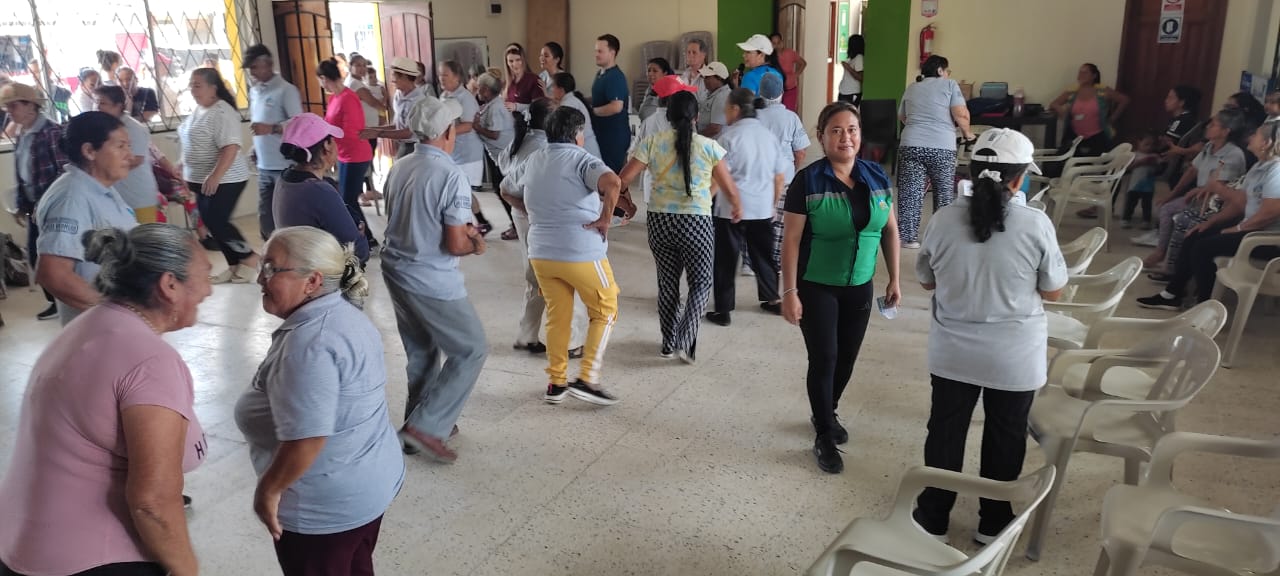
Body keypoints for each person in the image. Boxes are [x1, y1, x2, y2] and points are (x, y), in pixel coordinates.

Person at [0, 224, 211, 576]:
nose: (209, 289)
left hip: (22, 546)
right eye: (205, 276)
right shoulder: (150, 361)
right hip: (88, 560)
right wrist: (187, 569)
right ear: (169, 285)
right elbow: (153, 503)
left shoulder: (89, 326)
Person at [913, 128, 1068, 542]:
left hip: (953, 353)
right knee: (1006, 434)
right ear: (1018, 180)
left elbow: (927, 281)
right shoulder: (1036, 224)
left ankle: (933, 517)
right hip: (1014, 357)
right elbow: (1053, 290)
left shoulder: (943, 219)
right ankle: (993, 520)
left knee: (945, 431)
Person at [236, 226, 403, 574]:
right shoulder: (343, 313)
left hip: (324, 511)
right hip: (367, 485)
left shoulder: (309, 345)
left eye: (271, 269)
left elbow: (307, 440)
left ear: (311, 281)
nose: (260, 278)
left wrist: (269, 490)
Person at [780, 101, 901, 474]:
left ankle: (827, 411)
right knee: (825, 358)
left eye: (852, 129)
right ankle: (824, 434)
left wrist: (894, 277)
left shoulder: (875, 176)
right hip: (817, 285)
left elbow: (890, 230)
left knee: (846, 358)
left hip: (860, 285)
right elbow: (791, 241)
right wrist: (789, 292)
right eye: (836, 130)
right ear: (821, 137)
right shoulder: (808, 180)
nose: (845, 137)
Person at [381, 95, 489, 463]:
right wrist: (475, 243)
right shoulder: (450, 174)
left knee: (422, 350)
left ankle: (420, 421)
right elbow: (454, 243)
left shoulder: (400, 166)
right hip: (429, 277)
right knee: (471, 348)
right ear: (446, 133)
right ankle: (425, 428)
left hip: (396, 269)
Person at [504, 106, 625, 405]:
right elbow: (613, 183)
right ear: (577, 134)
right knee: (606, 309)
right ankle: (588, 378)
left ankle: (556, 383)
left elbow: (506, 189)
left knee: (558, 317)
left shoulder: (535, 159)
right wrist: (605, 219)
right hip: (581, 251)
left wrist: (534, 212)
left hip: (542, 253)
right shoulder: (582, 159)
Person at [618, 90, 742, 362]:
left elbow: (621, 180)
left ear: (669, 117)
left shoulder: (652, 142)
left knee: (667, 283)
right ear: (696, 117)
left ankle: (668, 342)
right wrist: (735, 206)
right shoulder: (709, 147)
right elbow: (728, 186)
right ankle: (685, 340)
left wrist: (626, 203)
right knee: (701, 282)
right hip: (696, 222)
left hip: (659, 221)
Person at [1137, 121, 1280, 310]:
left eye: (1256, 135)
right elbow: (1240, 204)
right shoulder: (1259, 166)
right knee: (1194, 235)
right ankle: (1172, 294)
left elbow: (1269, 213)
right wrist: (1211, 223)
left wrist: (1237, 227)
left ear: (1267, 143)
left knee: (1203, 248)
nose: (1251, 137)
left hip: (1266, 239)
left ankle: (1207, 306)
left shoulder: (1276, 171)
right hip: (1250, 230)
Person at [500, 99, 591, 359]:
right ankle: (571, 341)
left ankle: (527, 336)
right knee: (568, 276)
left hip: (524, 216)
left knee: (535, 276)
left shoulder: (522, 141)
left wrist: (527, 208)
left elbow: (505, 183)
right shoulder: (546, 151)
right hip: (543, 219)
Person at [34, 112, 140, 325]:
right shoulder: (72, 197)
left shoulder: (101, 188)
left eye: (128, 146)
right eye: (121, 146)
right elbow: (53, 274)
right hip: (102, 329)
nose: (130, 156)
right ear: (89, 151)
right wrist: (118, 314)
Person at [707, 88, 787, 326]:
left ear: (735, 109)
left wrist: (705, 201)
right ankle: (772, 299)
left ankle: (723, 310)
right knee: (764, 255)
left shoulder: (728, 138)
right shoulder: (768, 136)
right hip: (762, 208)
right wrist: (772, 205)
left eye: (726, 108)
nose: (724, 113)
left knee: (725, 259)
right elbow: (779, 177)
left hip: (730, 210)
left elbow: (719, 177)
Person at [1141, 109, 1249, 267]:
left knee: (1184, 219)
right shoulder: (1209, 146)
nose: (1208, 126)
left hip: (1216, 203)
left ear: (1226, 131)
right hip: (1199, 197)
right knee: (1166, 208)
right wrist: (1172, 195)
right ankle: (1161, 252)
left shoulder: (1233, 154)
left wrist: (1197, 191)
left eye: (1213, 124)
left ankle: (1176, 264)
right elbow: (1192, 170)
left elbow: (1220, 186)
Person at [179, 67, 259, 283]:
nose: (193, 90)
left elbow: (231, 147)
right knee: (210, 223)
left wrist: (215, 175)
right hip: (200, 180)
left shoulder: (222, 112)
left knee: (217, 221)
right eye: (191, 85)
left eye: (197, 85)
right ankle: (233, 265)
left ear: (213, 88)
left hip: (226, 179)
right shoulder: (199, 110)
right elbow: (190, 140)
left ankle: (249, 258)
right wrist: (181, 164)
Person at [2, 82, 66, 320]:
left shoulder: (51, 132)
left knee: (53, 257)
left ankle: (64, 300)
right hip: (33, 206)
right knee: (35, 256)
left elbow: (64, 172)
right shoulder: (23, 133)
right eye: (7, 107)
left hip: (52, 206)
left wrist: (48, 203)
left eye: (13, 106)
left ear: (31, 106)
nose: (9, 111)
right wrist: (21, 205)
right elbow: (22, 172)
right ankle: (55, 301)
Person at [896, 55, 974, 249]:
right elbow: (960, 113)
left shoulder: (912, 88)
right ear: (940, 70)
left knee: (910, 192)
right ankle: (940, 238)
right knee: (943, 193)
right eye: (947, 71)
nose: (947, 74)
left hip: (911, 145)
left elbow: (902, 116)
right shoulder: (950, 85)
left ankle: (907, 237)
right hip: (942, 147)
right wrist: (968, 134)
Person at [273, 113, 371, 265]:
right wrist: (361, 237)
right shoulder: (318, 191)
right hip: (320, 273)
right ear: (326, 147)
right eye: (333, 140)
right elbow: (358, 251)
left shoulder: (284, 179)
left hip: (297, 266)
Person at [244, 44, 304, 241]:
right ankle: (271, 250)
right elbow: (260, 123)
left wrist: (271, 129)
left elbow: (298, 124)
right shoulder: (255, 91)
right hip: (264, 166)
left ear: (268, 64)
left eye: (255, 67)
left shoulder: (286, 90)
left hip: (283, 165)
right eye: (250, 68)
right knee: (266, 217)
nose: (252, 72)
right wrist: (256, 147)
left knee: (286, 215)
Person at [317, 58, 376, 249]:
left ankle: (366, 238)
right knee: (346, 199)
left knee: (348, 199)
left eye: (320, 80)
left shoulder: (348, 98)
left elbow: (352, 131)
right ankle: (363, 236)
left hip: (356, 154)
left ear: (324, 78)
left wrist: (330, 143)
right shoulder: (334, 98)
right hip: (343, 154)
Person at [756, 73, 811, 266]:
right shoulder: (791, 118)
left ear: (760, 93)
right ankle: (776, 261)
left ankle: (753, 261)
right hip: (784, 178)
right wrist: (793, 170)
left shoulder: (754, 117)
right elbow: (800, 151)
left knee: (757, 219)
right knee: (780, 223)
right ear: (782, 93)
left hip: (758, 179)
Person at [95, 85, 160, 223]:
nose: (97, 107)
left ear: (118, 106)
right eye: (96, 102)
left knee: (142, 235)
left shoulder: (133, 128)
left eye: (102, 103)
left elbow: (136, 159)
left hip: (138, 197)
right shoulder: (106, 127)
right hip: (117, 196)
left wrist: (102, 170)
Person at [628, 76, 694, 205]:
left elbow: (632, 156)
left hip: (653, 187)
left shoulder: (648, 121)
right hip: (679, 188)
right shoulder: (684, 121)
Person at [1049, 63, 1130, 157]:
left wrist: (1113, 118)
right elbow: (1053, 104)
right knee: (1066, 159)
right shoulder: (1072, 91)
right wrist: (1060, 109)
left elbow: (1124, 100)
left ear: (1094, 76)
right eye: (1080, 72)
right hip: (1075, 136)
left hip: (1097, 136)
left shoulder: (1102, 91)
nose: (1081, 75)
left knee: (1097, 161)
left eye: (1085, 73)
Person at [474, 68, 518, 240]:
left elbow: (495, 134)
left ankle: (516, 225)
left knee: (505, 191)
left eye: (479, 88)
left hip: (504, 157)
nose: (477, 91)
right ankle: (515, 224)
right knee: (503, 191)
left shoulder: (496, 107)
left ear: (486, 90)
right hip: (499, 156)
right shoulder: (491, 105)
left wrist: (477, 127)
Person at [360, 56, 426, 159]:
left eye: (394, 76)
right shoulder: (398, 95)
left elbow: (408, 133)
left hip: (413, 147)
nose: (392, 80)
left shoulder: (418, 101)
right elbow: (397, 125)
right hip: (402, 144)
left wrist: (378, 133)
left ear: (404, 77)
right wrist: (371, 129)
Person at [345, 54, 390, 203]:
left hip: (369, 128)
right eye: (358, 65)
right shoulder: (355, 84)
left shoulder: (359, 82)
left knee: (368, 159)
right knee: (363, 160)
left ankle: (369, 189)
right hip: (364, 129)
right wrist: (384, 106)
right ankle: (360, 192)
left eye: (364, 65)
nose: (362, 68)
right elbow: (372, 102)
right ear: (350, 66)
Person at [591, 34, 630, 173]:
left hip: (613, 138)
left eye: (600, 51)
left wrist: (591, 112)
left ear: (612, 53)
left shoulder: (615, 77)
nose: (596, 54)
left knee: (610, 177)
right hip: (601, 135)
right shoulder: (600, 74)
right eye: (596, 51)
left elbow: (616, 106)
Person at [549, 72, 602, 160]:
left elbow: (563, 132)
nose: (551, 90)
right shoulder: (571, 100)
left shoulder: (568, 104)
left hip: (585, 149)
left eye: (553, 86)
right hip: (584, 147)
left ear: (561, 90)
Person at [1120, 132, 1162, 229]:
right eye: (1146, 144)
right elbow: (1127, 168)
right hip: (1134, 185)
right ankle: (1126, 219)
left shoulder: (1155, 156)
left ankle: (1146, 221)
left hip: (1148, 186)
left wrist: (1155, 163)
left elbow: (1160, 169)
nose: (1149, 147)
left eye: (1152, 145)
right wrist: (1139, 162)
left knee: (1147, 205)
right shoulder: (1134, 155)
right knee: (1130, 203)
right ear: (1139, 142)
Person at [769, 33, 806, 112]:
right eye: (774, 43)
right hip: (774, 92)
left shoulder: (790, 53)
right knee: (776, 113)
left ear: (782, 42)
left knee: (788, 112)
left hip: (790, 90)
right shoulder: (769, 57)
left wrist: (795, 75)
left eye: (778, 42)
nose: (777, 45)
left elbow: (803, 63)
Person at [503, 43, 541, 112]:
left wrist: (517, 107)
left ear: (523, 60)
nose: (514, 64)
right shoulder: (506, 82)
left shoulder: (534, 80)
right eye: (511, 61)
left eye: (518, 60)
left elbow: (538, 107)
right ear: (507, 63)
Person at [697, 62, 731, 137]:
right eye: (704, 77)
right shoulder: (710, 93)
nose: (705, 80)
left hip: (715, 141)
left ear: (719, 78)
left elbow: (715, 128)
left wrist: (697, 137)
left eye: (708, 77)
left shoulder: (723, 96)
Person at [638, 57, 675, 121]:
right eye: (649, 71)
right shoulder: (649, 89)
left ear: (665, 73)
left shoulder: (670, 92)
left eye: (655, 71)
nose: (650, 74)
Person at [679, 39, 710, 103]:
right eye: (688, 52)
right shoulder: (684, 75)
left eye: (694, 52)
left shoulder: (708, 77)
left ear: (703, 55)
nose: (690, 55)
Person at [838, 34, 865, 106]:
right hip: (844, 91)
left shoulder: (859, 57)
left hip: (851, 93)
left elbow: (860, 77)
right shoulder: (852, 57)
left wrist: (848, 67)